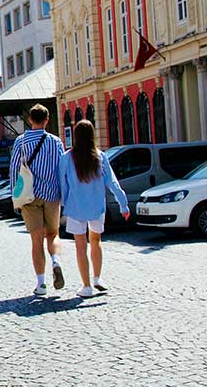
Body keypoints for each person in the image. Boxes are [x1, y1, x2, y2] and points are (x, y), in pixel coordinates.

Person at [58, 119, 128, 298]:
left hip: (75, 207)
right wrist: (123, 204)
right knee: (96, 241)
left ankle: (86, 286)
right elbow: (112, 181)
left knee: (80, 246)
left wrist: (63, 203)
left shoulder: (66, 158)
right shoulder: (100, 156)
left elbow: (62, 185)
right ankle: (97, 278)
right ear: (92, 136)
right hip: (97, 206)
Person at [9, 103, 66, 298]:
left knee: (36, 240)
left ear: (30, 120)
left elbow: (14, 170)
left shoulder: (21, 142)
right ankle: (56, 261)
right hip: (52, 194)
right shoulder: (56, 142)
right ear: (47, 120)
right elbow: (62, 169)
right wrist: (63, 195)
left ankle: (41, 284)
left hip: (29, 195)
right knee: (53, 234)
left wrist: (14, 196)